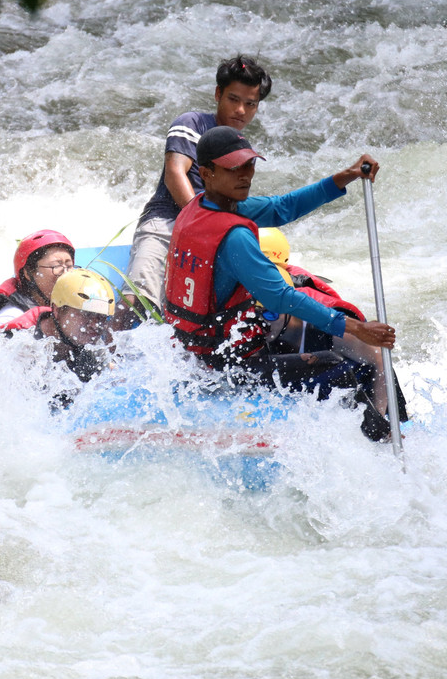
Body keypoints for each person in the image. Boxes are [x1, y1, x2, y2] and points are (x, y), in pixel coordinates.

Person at [163, 126, 406, 442]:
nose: (245, 175)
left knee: (366, 348)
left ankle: (402, 425)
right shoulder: (235, 238)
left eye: (249, 164)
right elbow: (280, 297)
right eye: (234, 168)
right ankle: (379, 443)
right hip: (225, 366)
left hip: (204, 347)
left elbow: (282, 208)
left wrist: (344, 177)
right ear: (206, 173)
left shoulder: (200, 206)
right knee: (339, 368)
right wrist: (355, 328)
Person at [125, 54, 272, 315]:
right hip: (167, 223)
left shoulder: (242, 147)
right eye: (233, 99)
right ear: (218, 94)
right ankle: (109, 354)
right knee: (138, 301)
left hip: (211, 236)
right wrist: (201, 226)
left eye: (250, 104)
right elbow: (174, 173)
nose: (240, 110)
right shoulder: (191, 123)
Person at [257, 227, 407, 432]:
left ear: (291, 309)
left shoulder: (326, 326)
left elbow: (380, 360)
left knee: (330, 361)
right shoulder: (253, 316)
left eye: (270, 314)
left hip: (353, 384)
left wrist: (379, 417)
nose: (262, 323)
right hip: (306, 376)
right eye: (255, 314)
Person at [34, 267, 117, 387]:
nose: (95, 325)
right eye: (86, 314)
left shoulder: (93, 347)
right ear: (57, 311)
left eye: (102, 317)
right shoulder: (25, 349)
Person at [0, 229, 75, 332]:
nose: (65, 273)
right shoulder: (10, 316)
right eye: (56, 266)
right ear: (29, 273)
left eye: (69, 266)